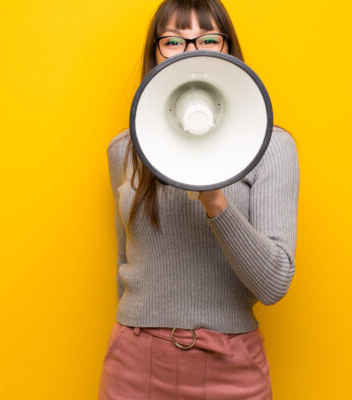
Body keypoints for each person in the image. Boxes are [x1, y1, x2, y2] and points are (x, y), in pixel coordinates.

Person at [97, 0, 300, 399]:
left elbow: (275, 284)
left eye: (207, 38)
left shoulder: (272, 147)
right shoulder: (124, 150)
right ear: (155, 53)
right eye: (173, 40)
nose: (190, 52)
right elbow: (127, 263)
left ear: (228, 48)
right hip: (135, 365)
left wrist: (215, 199)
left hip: (231, 366)